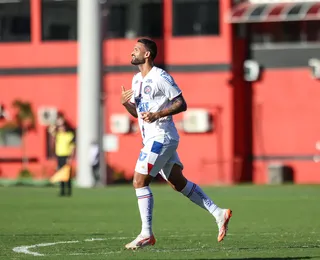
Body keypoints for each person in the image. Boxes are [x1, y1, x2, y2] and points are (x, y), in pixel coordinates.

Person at [120, 38, 232, 250]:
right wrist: (126, 104)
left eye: (136, 49)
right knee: (177, 182)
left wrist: (159, 113)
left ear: (147, 54)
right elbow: (140, 114)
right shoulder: (136, 80)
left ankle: (146, 234)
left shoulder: (160, 76)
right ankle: (219, 212)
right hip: (153, 137)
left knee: (139, 181)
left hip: (161, 136)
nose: (131, 53)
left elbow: (181, 103)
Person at [49, 115, 75, 196]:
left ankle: (69, 191)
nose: (61, 128)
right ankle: (62, 191)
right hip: (59, 156)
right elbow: (51, 130)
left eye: (62, 126)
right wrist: (56, 123)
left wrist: (70, 157)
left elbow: (72, 147)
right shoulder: (58, 135)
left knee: (67, 175)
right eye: (60, 126)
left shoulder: (69, 135)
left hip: (66, 156)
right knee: (61, 174)